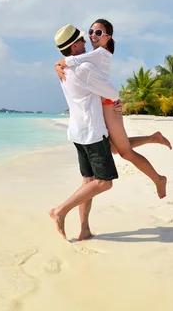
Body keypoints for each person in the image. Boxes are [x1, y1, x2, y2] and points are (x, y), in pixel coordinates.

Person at [55, 19, 169, 200]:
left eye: (98, 33)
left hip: (109, 105)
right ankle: (153, 138)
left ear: (108, 38)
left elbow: (74, 60)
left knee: (125, 152)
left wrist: (59, 63)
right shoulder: (92, 54)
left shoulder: (101, 53)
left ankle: (158, 179)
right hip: (102, 105)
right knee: (115, 149)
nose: (92, 35)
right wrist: (59, 65)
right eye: (91, 31)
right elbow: (76, 62)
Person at [49, 23, 123, 241]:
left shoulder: (64, 69)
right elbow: (112, 91)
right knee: (104, 182)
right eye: (82, 39)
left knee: (87, 182)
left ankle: (84, 229)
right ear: (74, 47)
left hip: (76, 132)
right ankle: (60, 211)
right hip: (91, 132)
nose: (86, 41)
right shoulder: (84, 68)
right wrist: (115, 101)